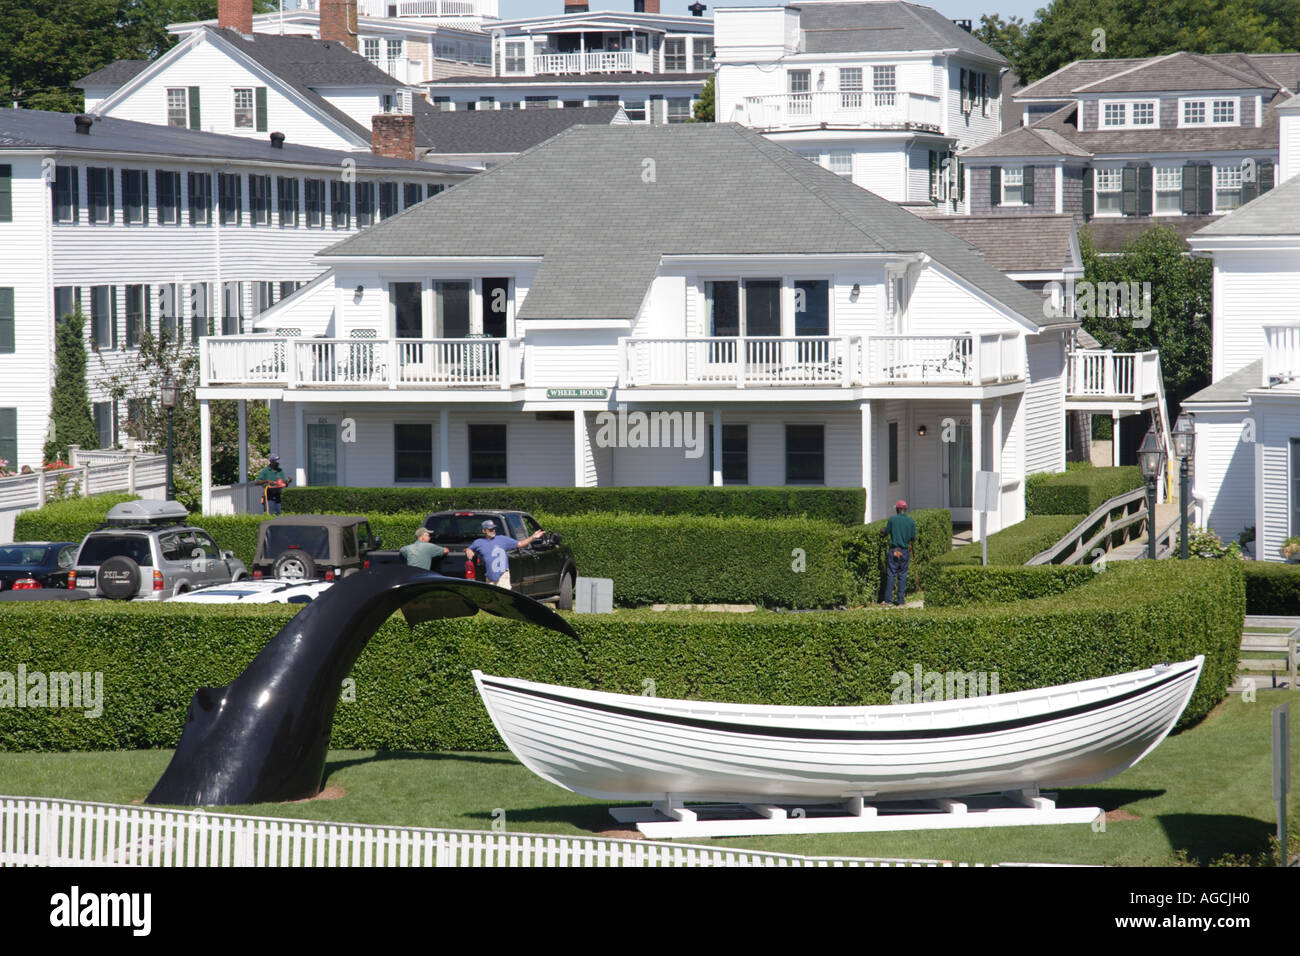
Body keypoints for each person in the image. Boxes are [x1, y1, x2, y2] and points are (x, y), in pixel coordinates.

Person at [467, 518, 544, 590]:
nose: (493, 530)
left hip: (503, 575)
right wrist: (468, 551)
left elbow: (520, 544)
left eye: (494, 528)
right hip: (490, 577)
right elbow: (469, 548)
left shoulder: (503, 539)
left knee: (504, 598)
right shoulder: (478, 542)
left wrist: (533, 537)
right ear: (484, 531)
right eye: (490, 529)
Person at [882, 499, 917, 607]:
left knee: (891, 574)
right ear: (905, 510)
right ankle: (901, 601)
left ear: (897, 509)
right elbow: (913, 538)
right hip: (905, 551)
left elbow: (886, 532)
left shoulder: (892, 520)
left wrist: (882, 531)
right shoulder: (911, 522)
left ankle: (888, 601)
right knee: (902, 575)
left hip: (894, 550)